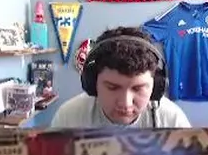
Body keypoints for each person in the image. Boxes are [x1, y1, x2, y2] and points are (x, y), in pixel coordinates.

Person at [49, 27, 191, 129]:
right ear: (93, 84)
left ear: (156, 86)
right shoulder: (68, 118)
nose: (125, 103)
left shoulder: (172, 120)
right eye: (112, 87)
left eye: (138, 88)